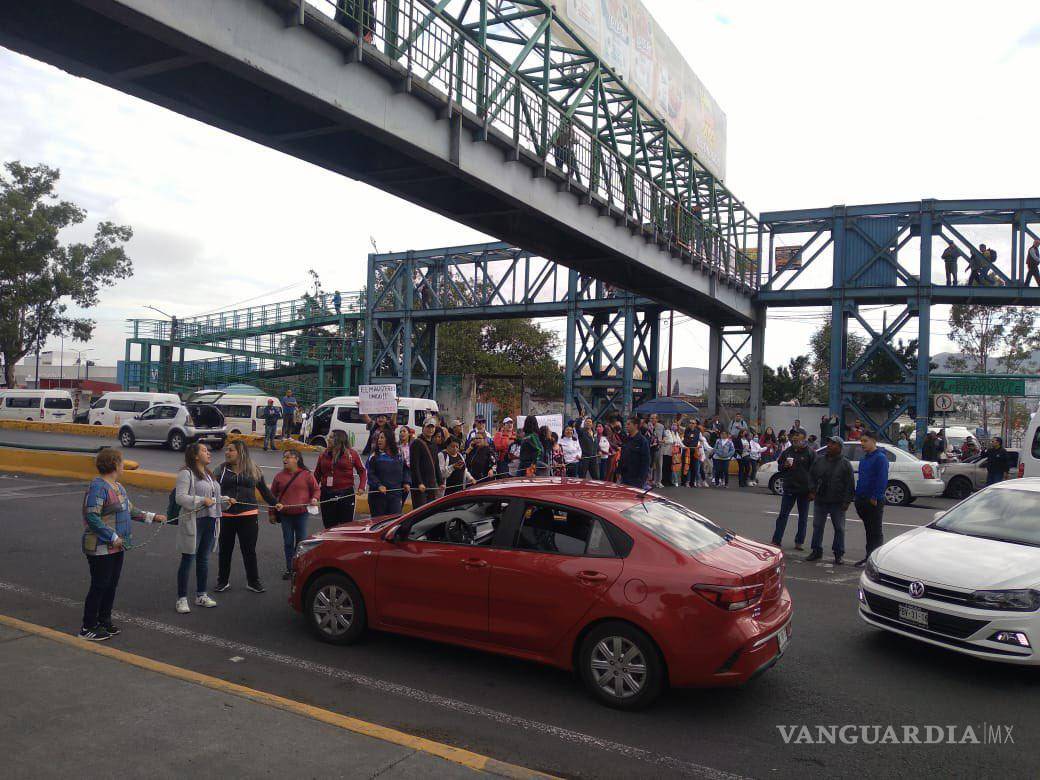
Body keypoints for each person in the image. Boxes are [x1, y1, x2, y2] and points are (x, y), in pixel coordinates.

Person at [80, 448, 165, 640]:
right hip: (101, 547)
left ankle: (104, 621)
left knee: (111, 585)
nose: (123, 465)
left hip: (117, 547)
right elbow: (92, 516)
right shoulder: (98, 487)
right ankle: (88, 626)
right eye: (121, 461)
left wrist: (153, 517)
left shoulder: (118, 487)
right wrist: (112, 537)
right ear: (114, 464)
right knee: (100, 585)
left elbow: (130, 510)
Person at [214, 441, 279, 594]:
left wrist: (276, 504)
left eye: (231, 450)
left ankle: (253, 581)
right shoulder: (221, 469)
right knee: (225, 550)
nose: (227, 452)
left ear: (240, 452)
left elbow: (264, 491)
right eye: (227, 450)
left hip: (248, 515)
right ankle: (222, 581)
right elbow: (212, 490)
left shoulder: (253, 469)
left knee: (249, 550)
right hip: (226, 515)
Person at [174, 443, 223, 614]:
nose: (209, 453)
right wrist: (201, 500)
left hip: (210, 520)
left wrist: (225, 499)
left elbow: (213, 497)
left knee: (203, 559)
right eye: (204, 450)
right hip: (194, 521)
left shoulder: (209, 475)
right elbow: (180, 497)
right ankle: (181, 598)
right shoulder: (186, 473)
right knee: (188, 559)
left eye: (208, 451)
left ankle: (201, 595)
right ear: (195, 456)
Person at [270, 449, 320, 580]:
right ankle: (290, 569)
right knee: (288, 542)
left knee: (301, 542)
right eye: (284, 457)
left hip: (301, 514)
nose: (284, 460)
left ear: (296, 459)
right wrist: (272, 513)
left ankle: (300, 568)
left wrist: (314, 498)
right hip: (285, 515)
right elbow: (272, 496)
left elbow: (316, 489)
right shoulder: (279, 476)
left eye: (288, 457)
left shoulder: (307, 474)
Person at [806, 436, 855, 565]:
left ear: (839, 447)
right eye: (828, 443)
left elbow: (850, 484)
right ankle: (816, 550)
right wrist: (812, 490)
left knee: (839, 528)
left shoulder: (845, 464)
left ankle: (838, 554)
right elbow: (811, 476)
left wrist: (847, 501)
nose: (829, 445)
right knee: (817, 526)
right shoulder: (819, 461)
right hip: (821, 500)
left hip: (837, 502)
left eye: (833, 443)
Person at [771, 432, 815, 550]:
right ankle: (776, 540)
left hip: (804, 490)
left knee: (803, 517)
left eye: (797, 440)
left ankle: (799, 542)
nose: (795, 443)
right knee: (783, 515)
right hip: (789, 488)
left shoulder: (810, 453)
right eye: (794, 440)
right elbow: (779, 466)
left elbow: (815, 472)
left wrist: (812, 491)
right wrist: (784, 465)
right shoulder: (788, 452)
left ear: (804, 440)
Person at [314, 430, 366, 529]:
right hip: (326, 493)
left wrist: (362, 487)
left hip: (346, 494)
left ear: (339, 440)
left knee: (345, 526)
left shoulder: (352, 454)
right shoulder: (323, 454)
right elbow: (316, 475)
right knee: (329, 526)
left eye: (331, 437)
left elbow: (362, 471)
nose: (328, 439)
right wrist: (313, 493)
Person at [853, 431, 889, 567]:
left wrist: (875, 497)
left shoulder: (880, 458)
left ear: (873, 441)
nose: (862, 444)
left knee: (875, 532)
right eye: (861, 441)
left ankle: (876, 561)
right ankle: (869, 557)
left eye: (865, 441)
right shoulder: (864, 458)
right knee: (869, 531)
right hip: (861, 498)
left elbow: (882, 479)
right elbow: (862, 478)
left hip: (873, 500)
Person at [366, 430, 410, 515]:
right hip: (378, 497)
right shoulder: (374, 456)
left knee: (394, 522)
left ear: (389, 440)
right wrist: (379, 485)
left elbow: (405, 469)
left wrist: (406, 482)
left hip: (395, 495)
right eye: (378, 438)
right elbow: (369, 474)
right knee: (379, 523)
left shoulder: (399, 454)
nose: (379, 440)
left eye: (382, 438)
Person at [409, 421, 440, 508]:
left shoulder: (434, 444)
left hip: (431, 485)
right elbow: (414, 465)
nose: (430, 430)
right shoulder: (416, 443)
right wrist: (419, 483)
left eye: (432, 427)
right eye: (428, 427)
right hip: (420, 486)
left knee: (430, 511)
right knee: (420, 511)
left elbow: (436, 464)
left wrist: (440, 482)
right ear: (423, 428)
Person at [619, 417, 651, 489]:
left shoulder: (642, 441)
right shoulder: (626, 439)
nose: (626, 426)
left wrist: (642, 479)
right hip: (625, 476)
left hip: (636, 478)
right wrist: (619, 471)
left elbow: (646, 461)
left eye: (628, 424)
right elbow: (622, 456)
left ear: (635, 425)